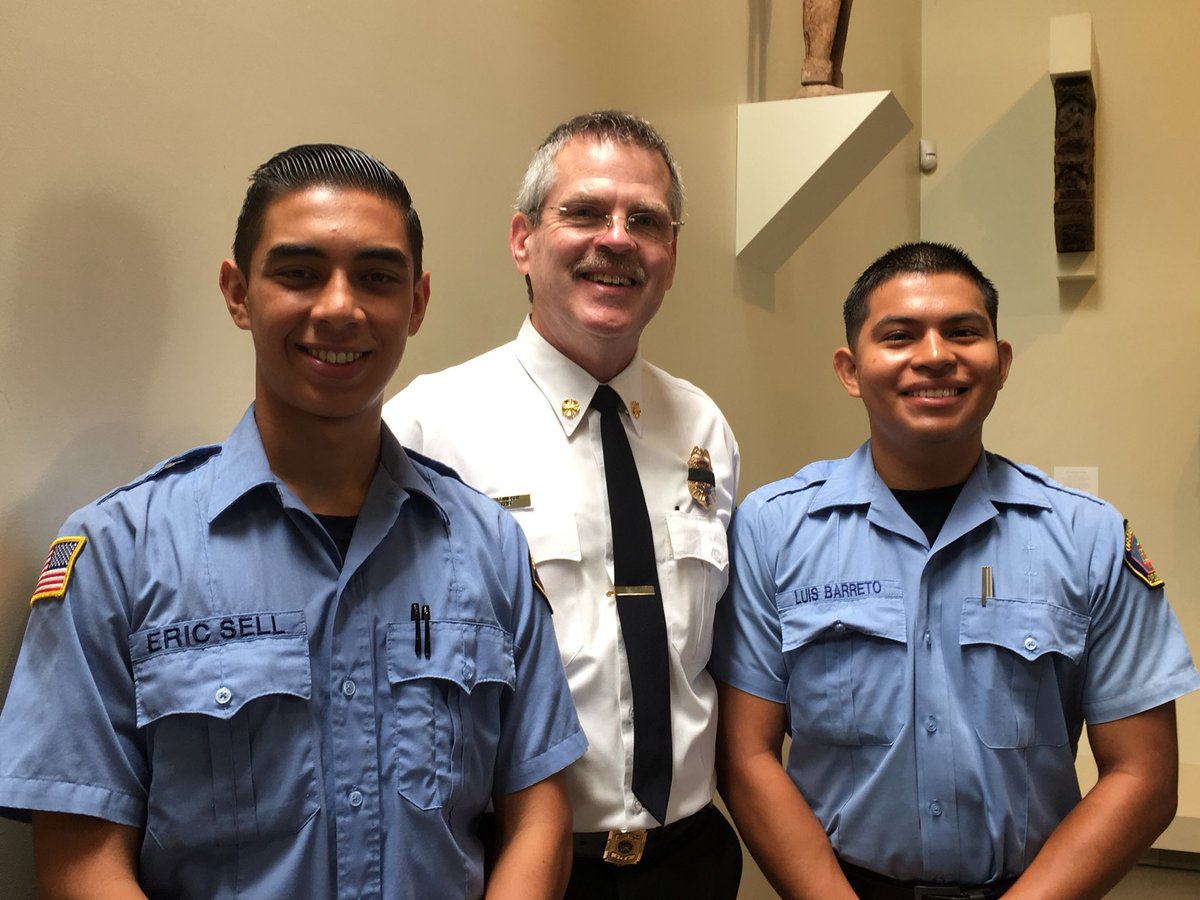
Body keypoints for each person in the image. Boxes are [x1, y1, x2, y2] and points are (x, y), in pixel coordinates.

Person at [0, 143, 587, 900]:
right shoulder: (119, 552)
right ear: (238, 293)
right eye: (299, 273)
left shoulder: (488, 547)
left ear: (416, 303)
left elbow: (539, 811)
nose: (339, 307)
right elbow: (82, 861)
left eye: (376, 277)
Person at [711, 241, 1200, 899]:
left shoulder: (1090, 538)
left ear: (999, 364)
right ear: (850, 369)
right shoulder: (772, 529)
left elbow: (1142, 777)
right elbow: (745, 756)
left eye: (963, 332)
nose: (935, 354)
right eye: (900, 335)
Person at [384, 111, 743, 898]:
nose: (616, 239)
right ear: (523, 239)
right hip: (516, 865)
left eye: (644, 220)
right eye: (583, 212)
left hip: (691, 862)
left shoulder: (704, 431)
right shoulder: (426, 427)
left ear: (671, 256)